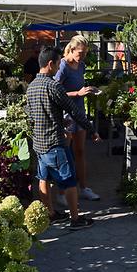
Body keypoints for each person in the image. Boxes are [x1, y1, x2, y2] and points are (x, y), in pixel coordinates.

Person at [26, 46, 100, 230]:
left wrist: (56, 120)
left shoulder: (31, 86)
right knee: (68, 180)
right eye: (58, 63)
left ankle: (50, 214)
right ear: (51, 64)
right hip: (55, 141)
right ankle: (75, 219)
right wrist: (91, 130)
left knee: (43, 178)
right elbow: (74, 111)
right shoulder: (53, 86)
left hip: (39, 142)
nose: (59, 66)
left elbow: (31, 113)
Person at [54, 35, 100, 201]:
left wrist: (88, 90)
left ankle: (83, 188)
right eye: (80, 53)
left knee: (80, 151)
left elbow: (79, 87)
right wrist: (77, 93)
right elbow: (55, 92)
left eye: (85, 53)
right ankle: (61, 192)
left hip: (79, 112)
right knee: (65, 153)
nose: (83, 56)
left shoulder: (81, 66)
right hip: (66, 115)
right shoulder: (63, 66)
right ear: (71, 50)